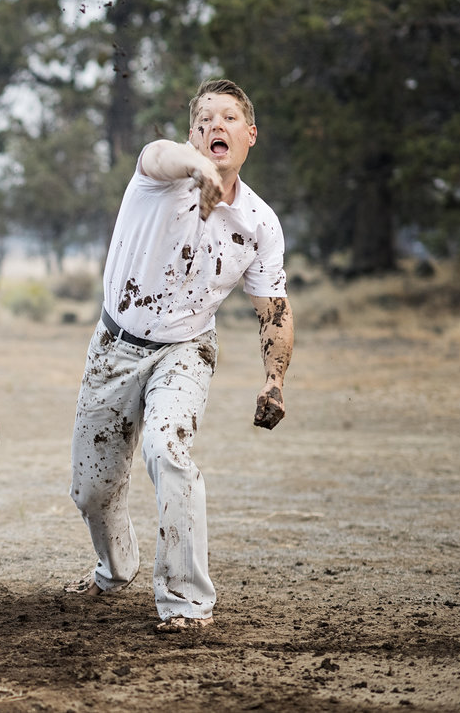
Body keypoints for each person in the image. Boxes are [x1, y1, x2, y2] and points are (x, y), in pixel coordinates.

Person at [66, 79, 295, 633]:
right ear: (192, 134)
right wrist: (196, 169)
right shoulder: (156, 173)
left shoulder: (259, 223)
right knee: (91, 491)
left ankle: (186, 602)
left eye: (229, 119)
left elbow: (275, 310)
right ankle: (115, 566)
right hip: (116, 344)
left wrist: (274, 379)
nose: (216, 126)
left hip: (187, 348)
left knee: (168, 450)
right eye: (204, 120)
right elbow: (162, 154)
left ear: (250, 135)